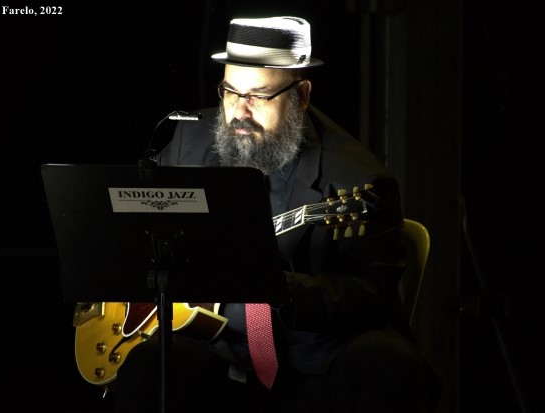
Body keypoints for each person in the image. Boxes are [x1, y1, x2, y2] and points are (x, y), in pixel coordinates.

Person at [113, 16, 442, 413]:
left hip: (311, 362)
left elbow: (372, 295)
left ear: (301, 95)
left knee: (387, 362)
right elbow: (138, 229)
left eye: (258, 96)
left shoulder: (359, 179)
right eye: (230, 92)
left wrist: (282, 288)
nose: (239, 111)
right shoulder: (189, 141)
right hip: (216, 351)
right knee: (149, 366)